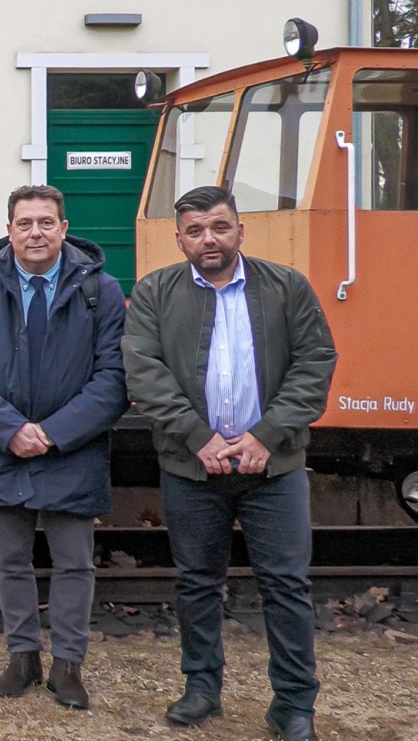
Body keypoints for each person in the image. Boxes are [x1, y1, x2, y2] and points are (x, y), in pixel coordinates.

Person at [123, 186, 337, 741]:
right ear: (179, 239)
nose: (208, 239)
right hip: (192, 467)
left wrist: (266, 436)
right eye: (195, 230)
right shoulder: (155, 292)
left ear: (241, 230)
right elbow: (143, 370)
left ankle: (293, 706)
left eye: (219, 227)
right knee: (197, 583)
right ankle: (201, 688)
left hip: (275, 467)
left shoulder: (287, 287)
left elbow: (315, 363)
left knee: (286, 585)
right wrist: (200, 438)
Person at [0, 184, 127, 708]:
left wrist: (53, 433)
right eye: (25, 223)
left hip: (74, 449)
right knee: (10, 561)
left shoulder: (102, 291)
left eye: (46, 222)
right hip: (1, 448)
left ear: (64, 229)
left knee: (74, 562)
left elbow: (114, 378)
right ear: (9, 230)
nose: (36, 233)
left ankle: (68, 667)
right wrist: (11, 430)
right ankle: (21, 658)